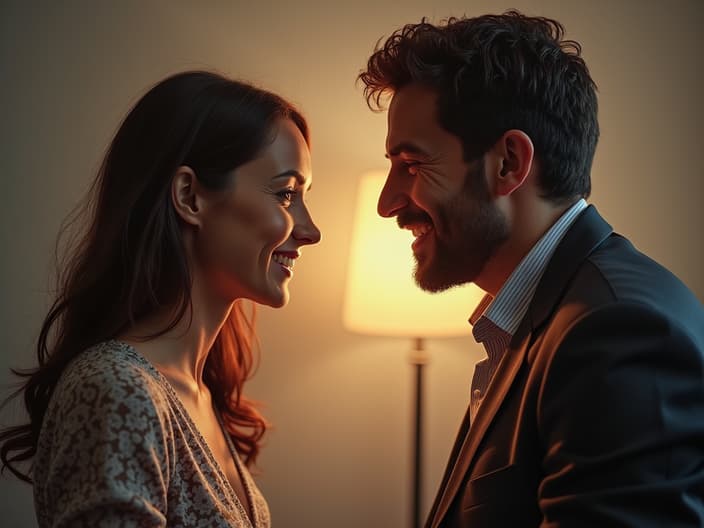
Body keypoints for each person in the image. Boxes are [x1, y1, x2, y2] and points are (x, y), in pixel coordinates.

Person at [359, 10, 704, 527]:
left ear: (509, 164)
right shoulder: (553, 317)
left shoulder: (614, 333)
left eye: (411, 164)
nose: (388, 203)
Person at [0, 71, 321, 527]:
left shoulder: (200, 395)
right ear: (190, 196)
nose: (310, 230)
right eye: (286, 194)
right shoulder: (118, 389)